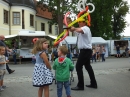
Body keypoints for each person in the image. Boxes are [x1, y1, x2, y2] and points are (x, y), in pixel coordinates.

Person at [69, 18, 97, 90]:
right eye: (78, 22)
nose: (78, 23)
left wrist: (74, 28)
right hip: (85, 51)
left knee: (78, 66)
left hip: (85, 51)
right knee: (88, 67)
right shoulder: (80, 29)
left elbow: (79, 30)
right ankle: (93, 83)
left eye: (80, 22)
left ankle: (80, 85)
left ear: (84, 23)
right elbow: (76, 31)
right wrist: (70, 28)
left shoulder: (86, 28)